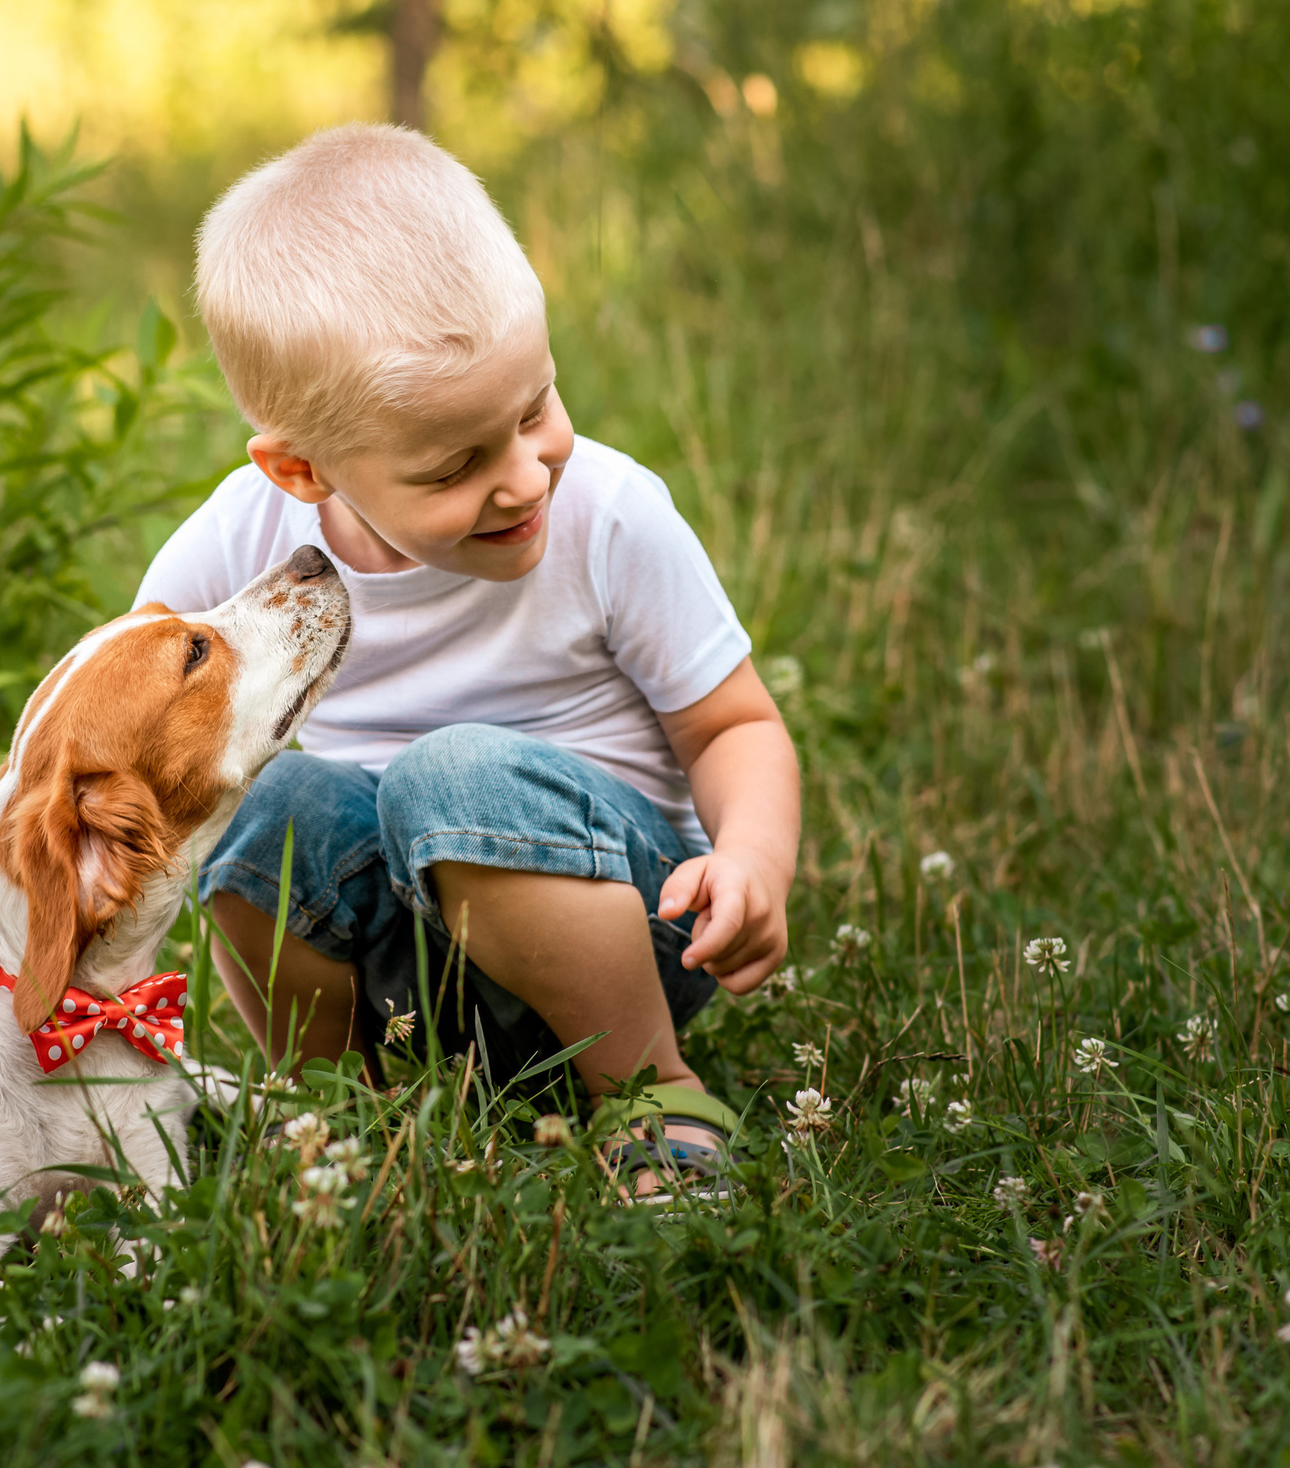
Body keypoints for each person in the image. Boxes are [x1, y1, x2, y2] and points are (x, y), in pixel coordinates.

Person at [140, 123, 801, 1197]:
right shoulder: (242, 545)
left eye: (535, 408)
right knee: (260, 805)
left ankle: (650, 1094)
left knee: (450, 777)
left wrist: (754, 862)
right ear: (302, 469)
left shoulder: (609, 517)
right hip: (397, 963)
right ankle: (338, 1112)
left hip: (617, 933)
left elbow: (734, 726)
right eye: (455, 464)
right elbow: (133, 736)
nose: (525, 478)